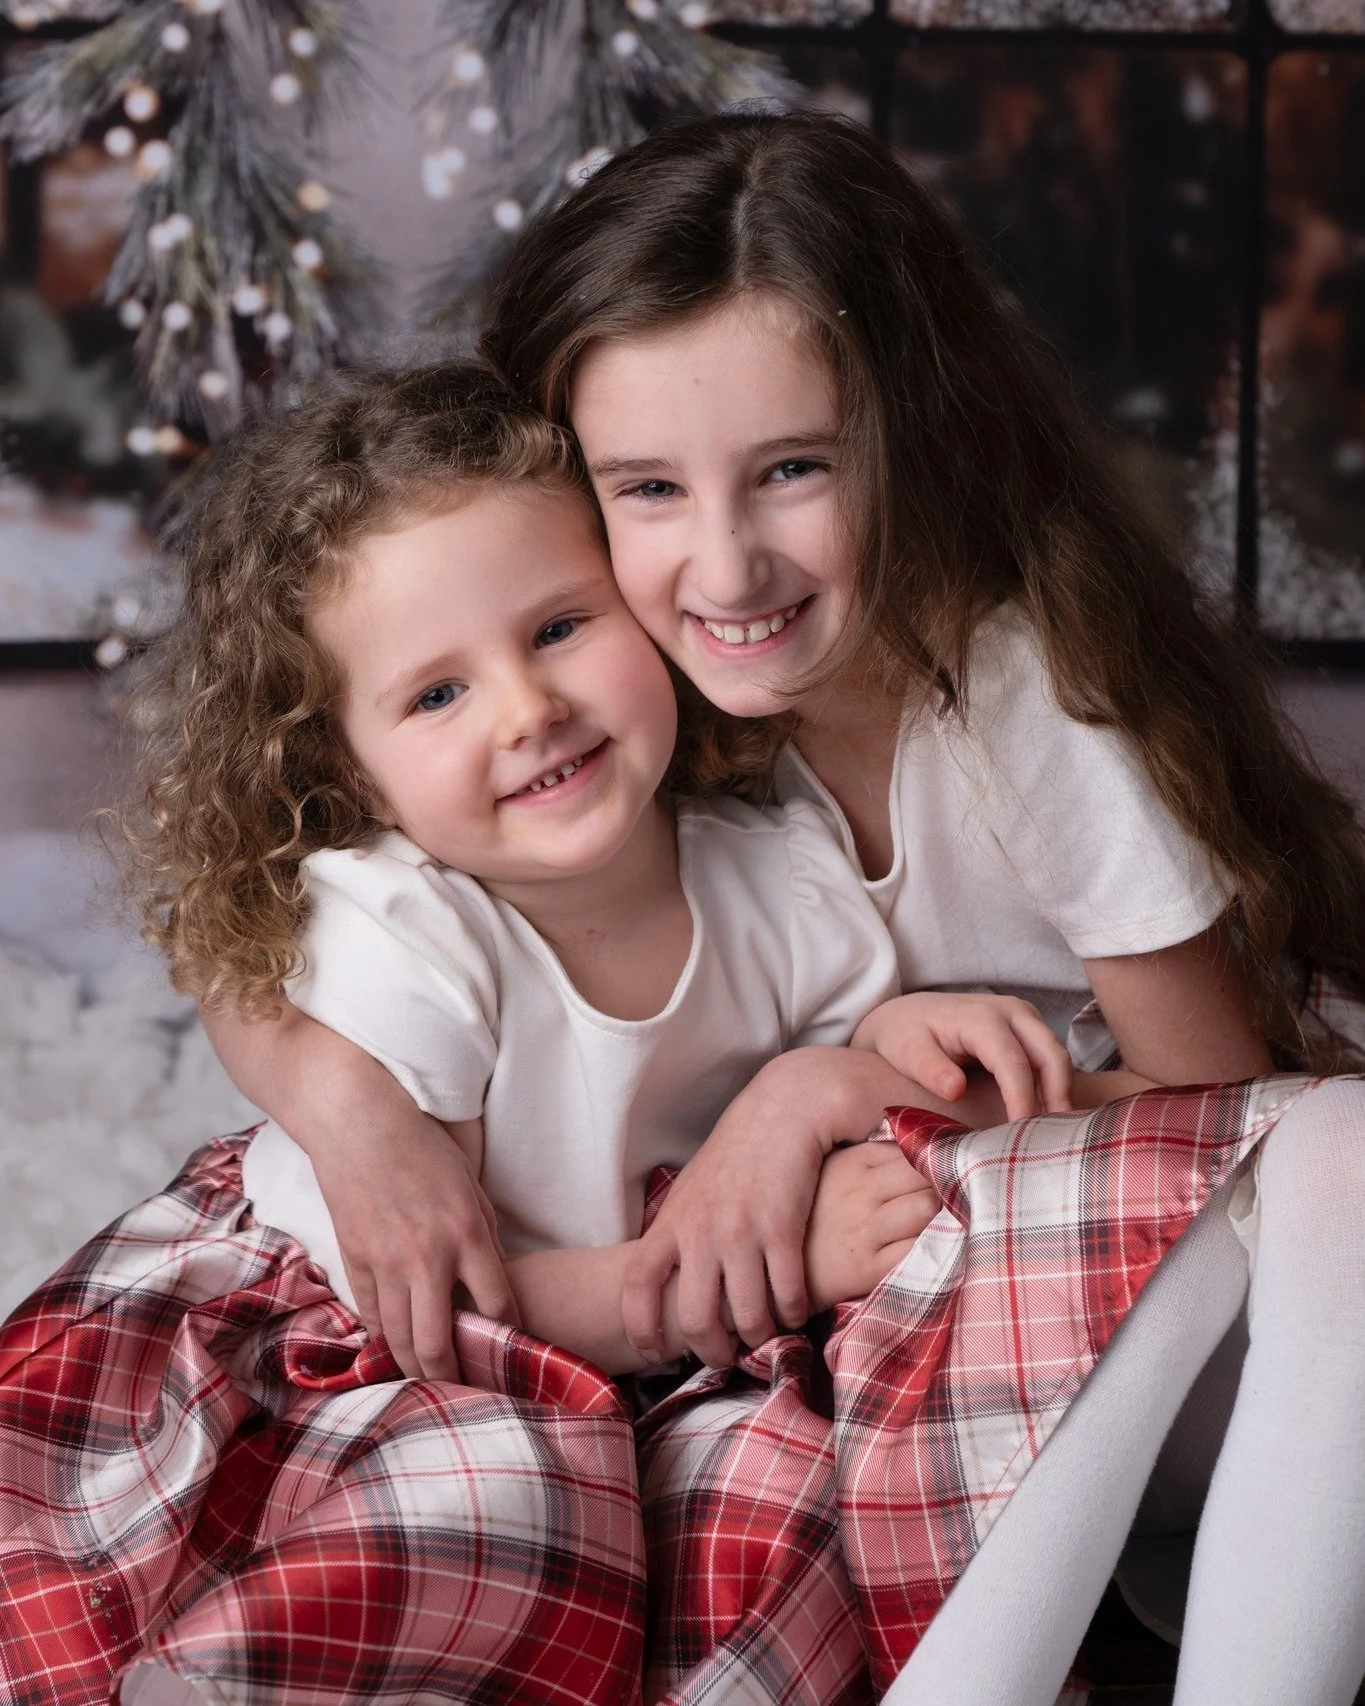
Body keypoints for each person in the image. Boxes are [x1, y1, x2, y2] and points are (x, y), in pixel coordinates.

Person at [202, 113, 1365, 1701]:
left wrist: (823, 1096)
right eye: (648, 487)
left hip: (1153, 1304)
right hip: (879, 1307)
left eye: (795, 468)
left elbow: (1228, 1117)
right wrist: (356, 1116)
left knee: (1339, 1144)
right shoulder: (624, 703)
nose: (729, 564)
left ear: (916, 437)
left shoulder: (1024, 698)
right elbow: (254, 921)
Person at [1, 361, 1111, 1706]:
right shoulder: (414, 931)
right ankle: (242, 1668)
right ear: (347, 769)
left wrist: (900, 1036)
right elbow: (455, 1307)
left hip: (636, 1344)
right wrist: (725, 1284)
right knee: (496, 1491)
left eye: (560, 627)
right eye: (436, 696)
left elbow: (830, 1052)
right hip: (373, 1348)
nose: (527, 710)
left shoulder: (783, 879)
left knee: (787, 1489)